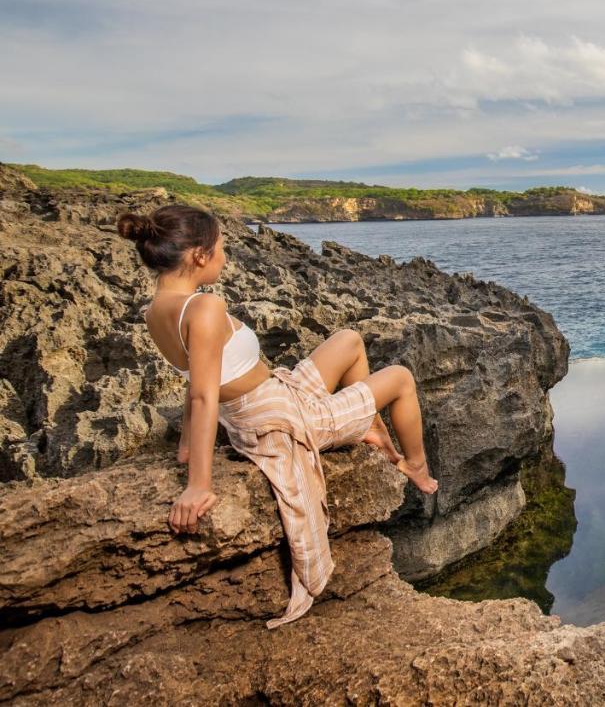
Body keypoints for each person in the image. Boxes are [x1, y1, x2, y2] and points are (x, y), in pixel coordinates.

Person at [117, 203, 439, 627]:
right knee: (399, 378)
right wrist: (198, 484)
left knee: (348, 339)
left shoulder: (157, 309)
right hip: (280, 416)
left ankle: (372, 430)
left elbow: (198, 376)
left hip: (273, 393)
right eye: (220, 249)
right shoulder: (204, 308)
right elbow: (200, 396)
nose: (225, 258)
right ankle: (414, 463)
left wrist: (184, 446)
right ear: (198, 255)